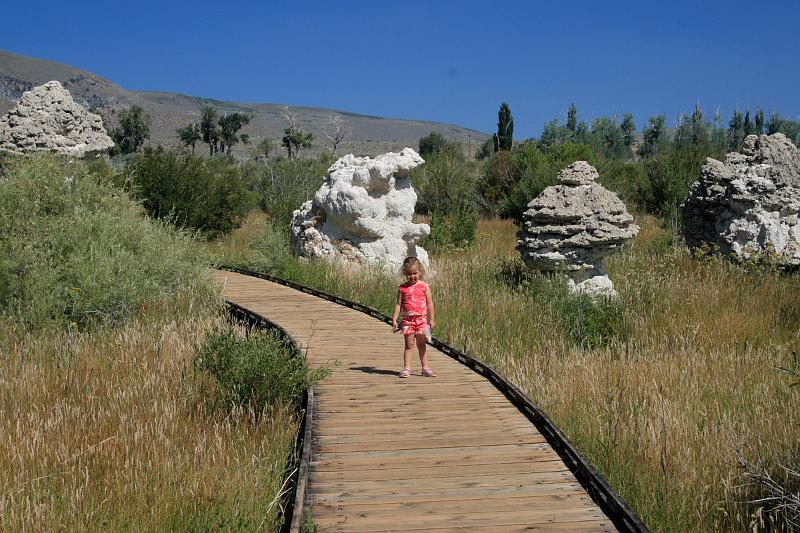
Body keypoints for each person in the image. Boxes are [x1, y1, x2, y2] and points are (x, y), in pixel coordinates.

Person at [391, 256, 436, 378]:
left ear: (420, 272)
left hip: (421, 320)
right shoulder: (403, 288)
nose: (412, 276)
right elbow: (399, 304)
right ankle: (407, 368)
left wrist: (432, 319)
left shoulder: (424, 287)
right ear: (404, 273)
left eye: (415, 273)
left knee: (422, 344)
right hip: (408, 321)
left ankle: (425, 367)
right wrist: (394, 318)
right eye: (409, 274)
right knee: (409, 345)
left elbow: (430, 303)